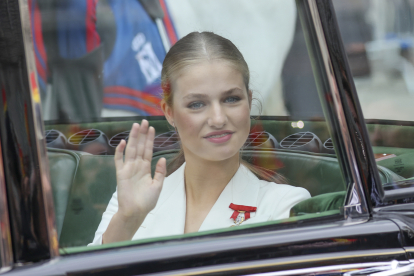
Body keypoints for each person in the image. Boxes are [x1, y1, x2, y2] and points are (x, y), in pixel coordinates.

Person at [89, 32, 310, 245]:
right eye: (197, 104)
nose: (218, 118)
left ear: (249, 102)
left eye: (231, 99)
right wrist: (128, 219)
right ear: (169, 112)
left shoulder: (285, 205)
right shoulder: (130, 200)